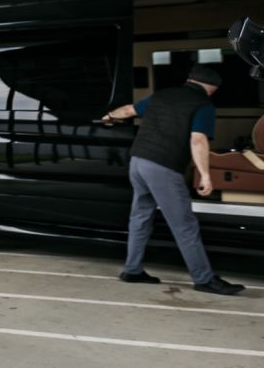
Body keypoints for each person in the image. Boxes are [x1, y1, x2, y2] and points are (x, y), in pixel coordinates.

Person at [101, 65, 245, 295]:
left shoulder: (162, 94)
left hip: (138, 161)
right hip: (162, 167)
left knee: (140, 216)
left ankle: (132, 269)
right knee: (184, 225)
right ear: (212, 89)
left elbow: (128, 110)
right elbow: (198, 141)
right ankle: (204, 279)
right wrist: (206, 175)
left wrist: (108, 117)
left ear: (189, 80)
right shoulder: (203, 105)